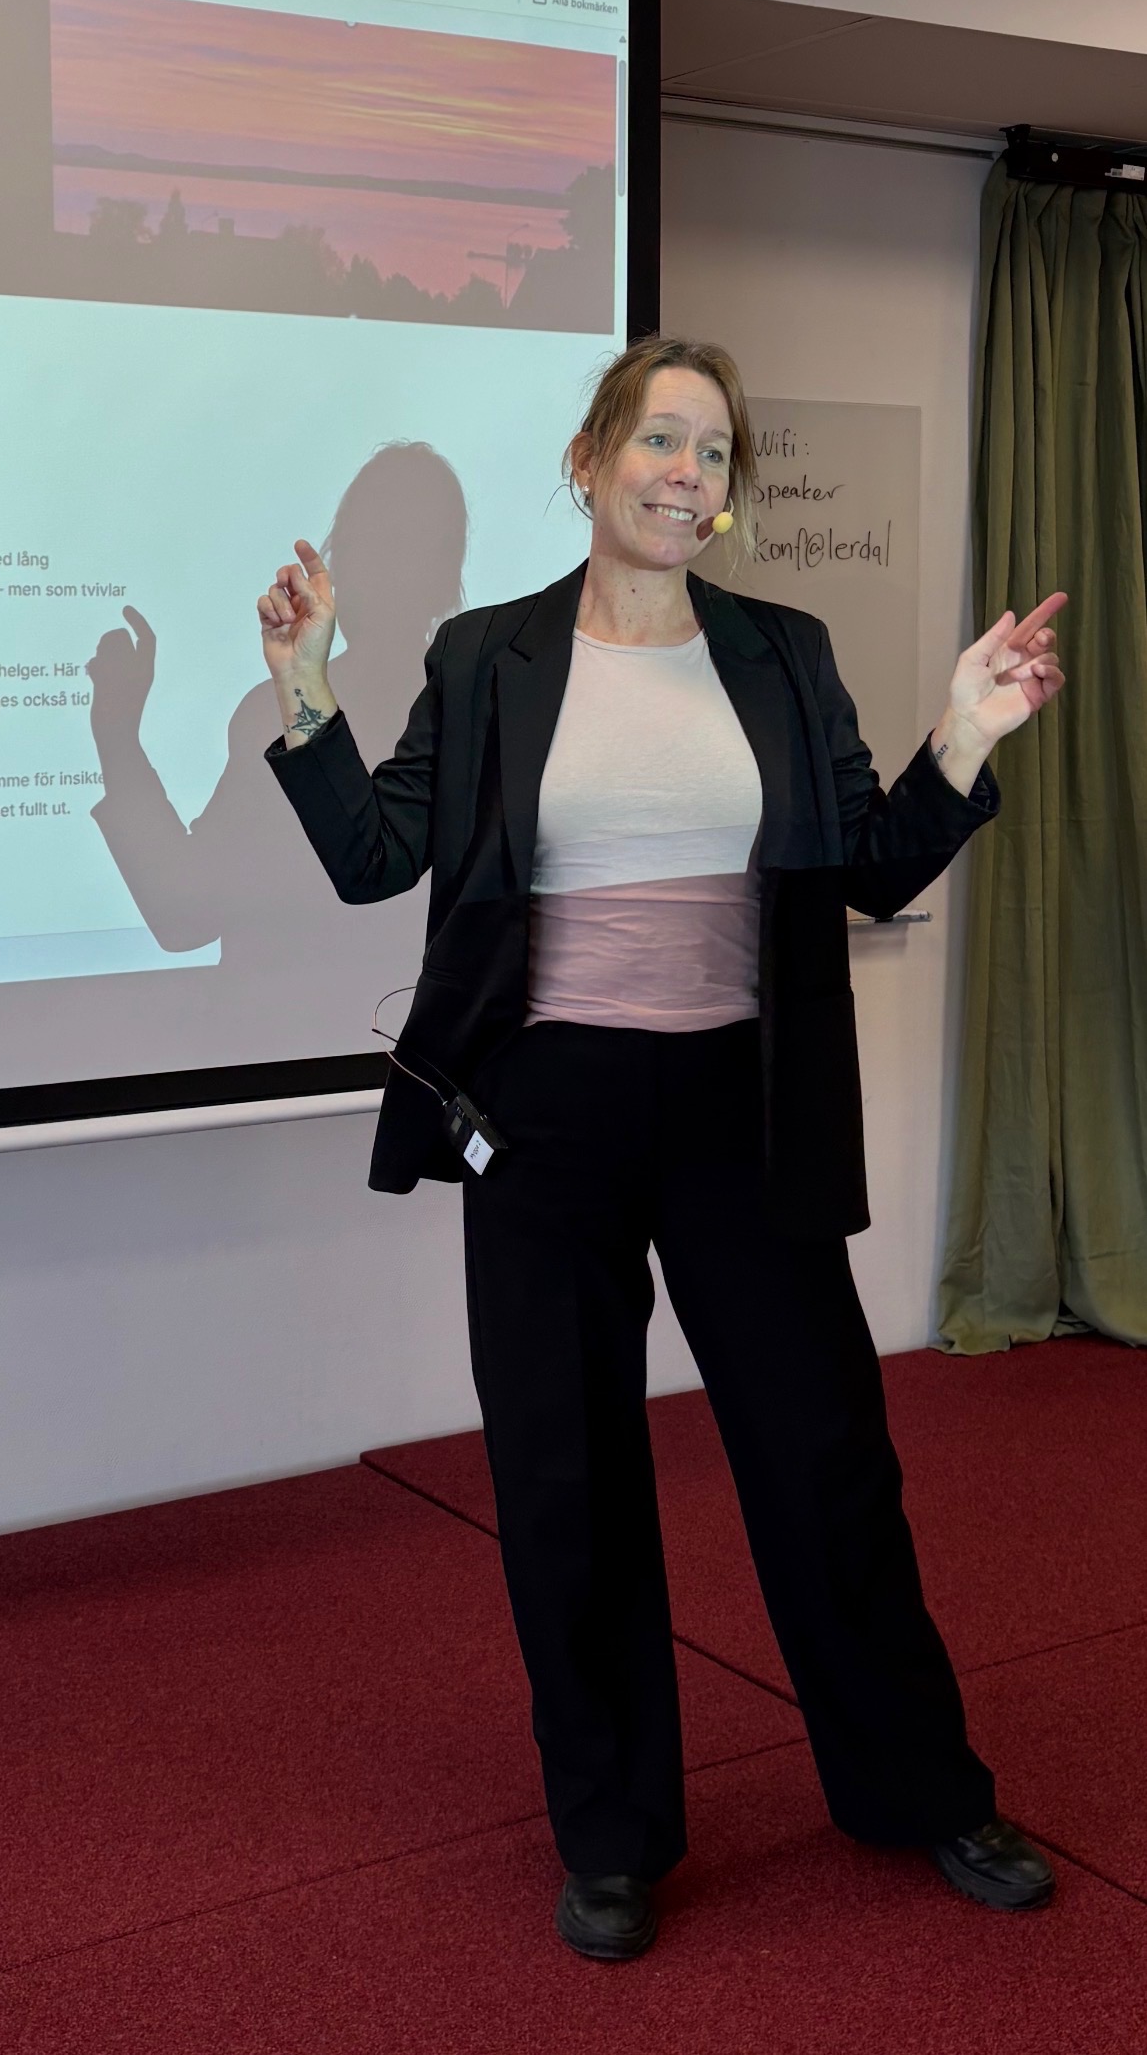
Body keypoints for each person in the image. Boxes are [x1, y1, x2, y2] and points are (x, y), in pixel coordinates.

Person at [259, 334, 1067, 1962]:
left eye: (713, 452)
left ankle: (919, 1783)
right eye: (659, 441)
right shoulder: (488, 656)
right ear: (590, 458)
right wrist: (306, 685)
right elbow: (372, 855)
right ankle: (612, 1832)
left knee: (827, 1459)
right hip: (543, 1113)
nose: (686, 475)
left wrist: (966, 734)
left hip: (739, 1107)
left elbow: (867, 864)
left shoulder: (783, 652)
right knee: (565, 1474)